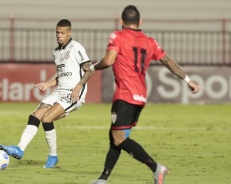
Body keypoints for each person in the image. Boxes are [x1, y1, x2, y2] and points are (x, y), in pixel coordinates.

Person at [87, 5, 205, 184]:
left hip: (125, 94)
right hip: (140, 96)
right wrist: (188, 80)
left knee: (118, 138)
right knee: (116, 136)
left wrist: (92, 67)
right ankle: (103, 178)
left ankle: (157, 168)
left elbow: (109, 60)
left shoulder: (117, 36)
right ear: (140, 21)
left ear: (121, 21)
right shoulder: (150, 41)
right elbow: (168, 61)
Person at [0, 19, 94, 168]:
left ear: (70, 33)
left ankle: (53, 156)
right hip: (59, 91)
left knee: (47, 118)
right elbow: (62, 76)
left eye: (62, 33)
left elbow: (89, 69)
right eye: (57, 32)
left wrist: (78, 86)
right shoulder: (56, 52)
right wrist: (47, 84)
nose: (59, 35)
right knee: (35, 115)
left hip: (73, 93)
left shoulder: (76, 47)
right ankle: (19, 148)